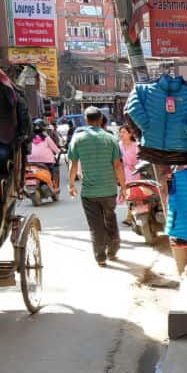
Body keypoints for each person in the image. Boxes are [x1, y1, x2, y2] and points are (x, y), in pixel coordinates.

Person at [67, 106, 126, 266]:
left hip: (89, 192)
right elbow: (118, 166)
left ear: (86, 121)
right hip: (109, 190)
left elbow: (73, 165)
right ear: (100, 120)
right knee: (110, 217)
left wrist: (71, 184)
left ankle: (100, 257)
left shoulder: (78, 139)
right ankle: (113, 248)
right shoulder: (110, 138)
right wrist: (123, 186)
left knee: (96, 226)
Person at [28, 118, 61, 184]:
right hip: (46, 162)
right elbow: (56, 150)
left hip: (30, 161)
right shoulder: (46, 138)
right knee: (52, 174)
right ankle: (52, 185)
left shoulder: (29, 138)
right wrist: (59, 151)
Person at [117, 125, 138, 226]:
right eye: (120, 132)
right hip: (123, 173)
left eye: (124, 132)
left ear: (130, 134)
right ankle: (130, 216)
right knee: (126, 194)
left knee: (133, 194)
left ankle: (130, 217)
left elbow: (141, 159)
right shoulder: (119, 145)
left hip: (135, 173)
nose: (121, 134)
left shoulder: (136, 145)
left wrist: (136, 166)